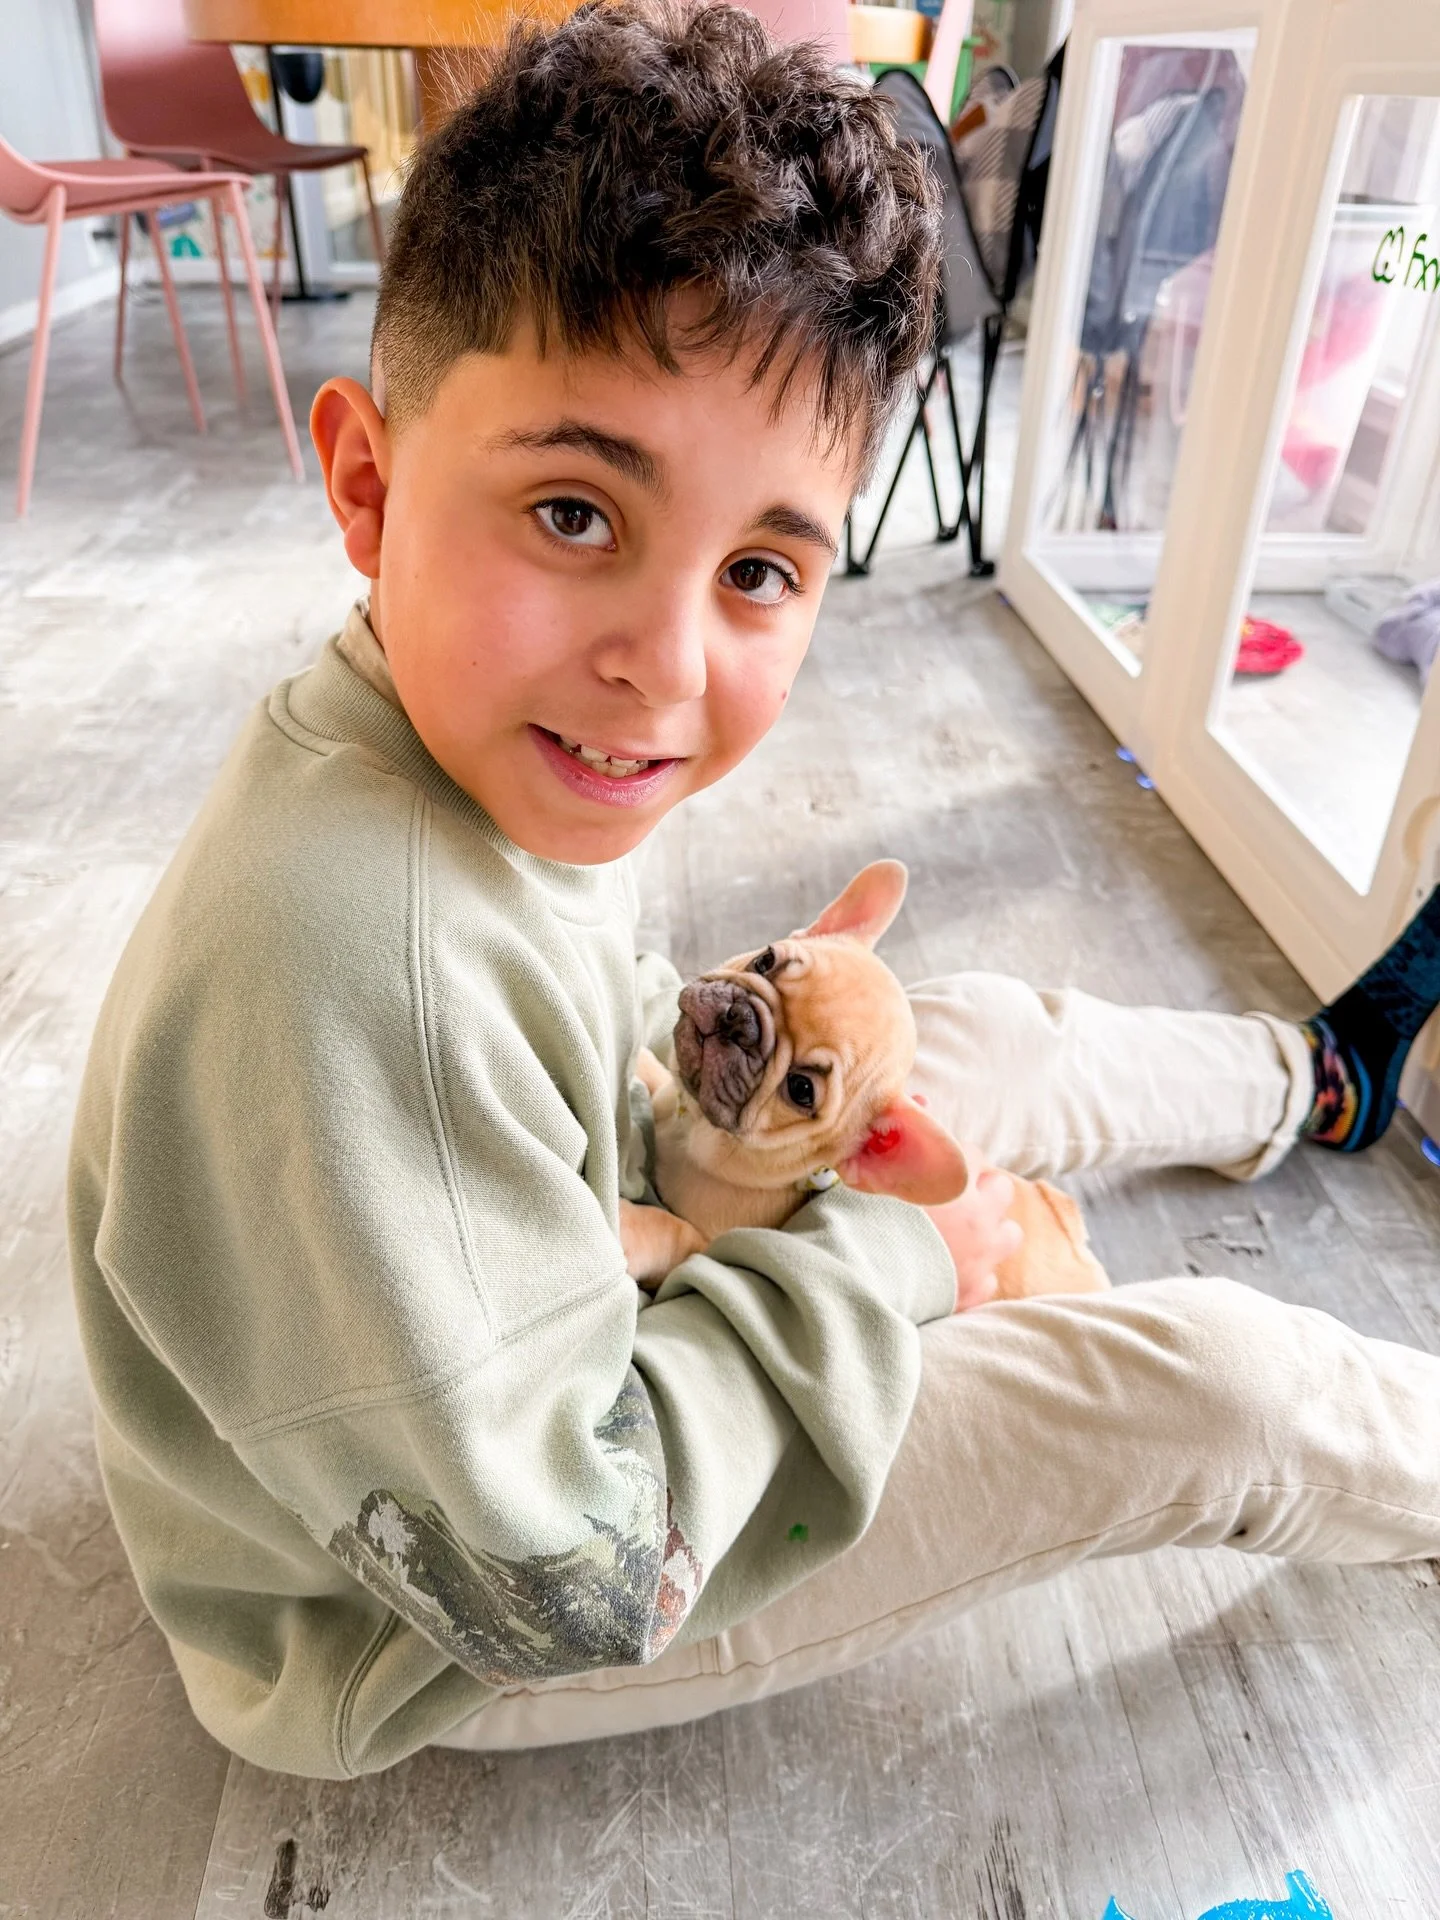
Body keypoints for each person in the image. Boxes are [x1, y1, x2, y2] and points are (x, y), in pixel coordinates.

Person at [67, 0, 1440, 1781]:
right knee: (1214, 1389)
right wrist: (902, 1252)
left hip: (552, 1290)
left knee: (969, 1036)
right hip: (446, 1613)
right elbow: (564, 1572)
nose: (663, 662)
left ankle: (1314, 1080)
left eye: (761, 570)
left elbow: (572, 1022)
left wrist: (774, 1111)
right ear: (369, 483)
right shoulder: (353, 963)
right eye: (575, 513)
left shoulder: (469, 742)